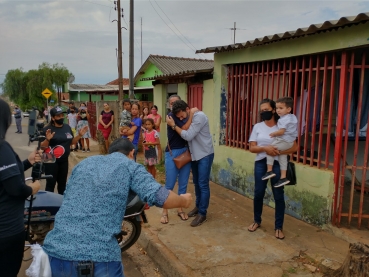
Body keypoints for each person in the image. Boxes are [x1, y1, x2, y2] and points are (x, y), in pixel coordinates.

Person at [42, 138, 192, 277]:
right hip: (100, 257)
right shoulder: (130, 166)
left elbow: (68, 195)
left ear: (110, 151)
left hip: (55, 252)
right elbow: (161, 197)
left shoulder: (84, 164)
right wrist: (183, 201)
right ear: (132, 153)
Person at [0, 98, 41, 277]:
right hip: (6, 232)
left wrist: (28, 162)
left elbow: (5, 175)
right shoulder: (1, 148)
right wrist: (33, 188)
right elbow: (16, 189)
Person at [247, 98, 298, 240]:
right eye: (262, 110)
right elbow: (252, 147)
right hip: (261, 163)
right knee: (258, 193)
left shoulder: (282, 125)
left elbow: (294, 147)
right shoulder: (257, 127)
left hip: (277, 164)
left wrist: (278, 152)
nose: (264, 112)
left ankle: (278, 227)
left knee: (278, 195)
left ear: (274, 110)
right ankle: (256, 221)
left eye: (267, 110)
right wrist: (265, 148)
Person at [167, 100, 214, 227]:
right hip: (194, 155)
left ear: (187, 109)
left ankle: (203, 213)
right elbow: (184, 127)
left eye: (182, 116)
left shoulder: (200, 117)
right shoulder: (190, 116)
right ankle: (198, 207)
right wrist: (188, 116)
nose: (181, 118)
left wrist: (173, 125)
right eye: (179, 118)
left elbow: (187, 135)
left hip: (204, 154)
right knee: (197, 183)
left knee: (203, 184)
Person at [160, 95, 195, 224]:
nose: (173, 105)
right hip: (172, 153)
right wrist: (192, 113)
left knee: (183, 183)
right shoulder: (171, 116)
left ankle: (180, 209)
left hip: (185, 153)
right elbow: (185, 127)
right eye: (171, 103)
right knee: (169, 184)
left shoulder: (182, 114)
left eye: (175, 102)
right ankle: (165, 212)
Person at [41, 106, 88, 195]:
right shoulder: (47, 129)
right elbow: (42, 147)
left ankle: (61, 205)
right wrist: (47, 139)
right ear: (53, 118)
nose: (61, 117)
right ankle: (48, 205)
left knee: (62, 184)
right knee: (50, 184)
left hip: (63, 160)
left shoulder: (67, 127)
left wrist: (79, 135)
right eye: (58, 116)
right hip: (49, 158)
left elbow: (70, 142)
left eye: (62, 115)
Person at [262, 97, 298, 187]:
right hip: (290, 141)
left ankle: (269, 171)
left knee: (269, 150)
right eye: (277, 108)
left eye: (281, 108)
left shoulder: (283, 120)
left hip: (284, 140)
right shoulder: (292, 117)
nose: (278, 110)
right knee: (282, 158)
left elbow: (281, 132)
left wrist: (274, 133)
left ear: (288, 109)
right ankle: (283, 178)